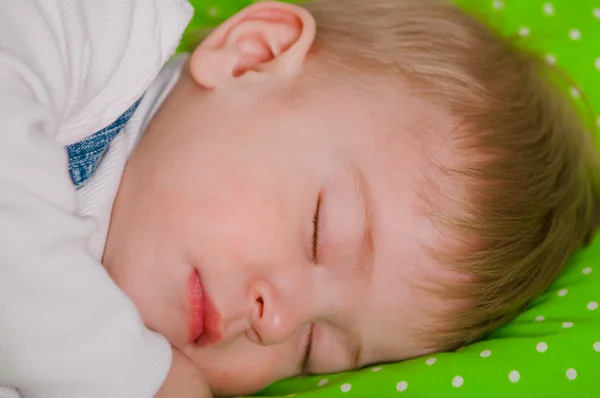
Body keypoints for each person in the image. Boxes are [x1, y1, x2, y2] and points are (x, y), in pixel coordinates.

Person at [1, 0, 599, 397]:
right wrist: (132, 378)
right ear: (252, 56)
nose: (276, 323)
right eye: (319, 230)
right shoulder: (92, 32)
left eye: (314, 350)